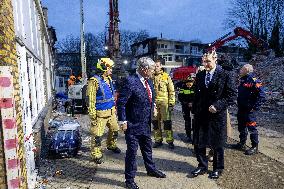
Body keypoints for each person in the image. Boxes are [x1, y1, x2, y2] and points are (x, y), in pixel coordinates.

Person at [117, 57, 166, 189]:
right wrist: (122, 121)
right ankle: (129, 179)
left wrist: (153, 106)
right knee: (132, 153)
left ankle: (151, 169)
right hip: (132, 124)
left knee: (147, 149)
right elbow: (121, 103)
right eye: (152, 69)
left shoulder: (148, 82)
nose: (153, 72)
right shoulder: (130, 81)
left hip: (145, 123)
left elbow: (150, 97)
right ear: (144, 69)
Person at [191, 49, 236, 179]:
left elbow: (231, 95)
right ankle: (202, 166)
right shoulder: (200, 75)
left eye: (208, 61)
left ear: (215, 59)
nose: (206, 64)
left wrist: (217, 106)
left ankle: (218, 168)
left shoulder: (225, 74)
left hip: (216, 115)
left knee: (217, 143)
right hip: (201, 114)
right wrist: (194, 110)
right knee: (199, 142)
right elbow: (197, 95)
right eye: (204, 61)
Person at [87, 58, 121, 164]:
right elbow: (90, 99)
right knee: (97, 136)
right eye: (110, 68)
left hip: (111, 112)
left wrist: (115, 108)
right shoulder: (94, 81)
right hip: (100, 114)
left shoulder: (109, 79)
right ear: (104, 67)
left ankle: (111, 145)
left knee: (115, 130)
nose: (111, 70)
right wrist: (92, 114)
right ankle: (96, 154)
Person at [231, 64, 266, 155]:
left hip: (250, 111)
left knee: (252, 127)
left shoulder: (254, 80)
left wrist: (255, 108)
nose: (240, 71)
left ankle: (254, 147)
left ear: (246, 70)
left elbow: (262, 96)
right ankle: (242, 143)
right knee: (241, 126)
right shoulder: (243, 80)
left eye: (241, 69)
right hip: (242, 108)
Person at [152, 59, 175, 149]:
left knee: (167, 123)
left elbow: (171, 90)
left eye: (157, 66)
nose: (156, 68)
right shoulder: (151, 77)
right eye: (154, 66)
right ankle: (158, 140)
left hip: (164, 104)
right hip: (154, 104)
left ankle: (170, 141)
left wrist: (171, 103)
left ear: (161, 66)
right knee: (155, 123)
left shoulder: (166, 76)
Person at [176, 74, 196, 142]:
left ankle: (195, 135)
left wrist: (193, 103)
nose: (189, 84)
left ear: (193, 82)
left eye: (190, 82)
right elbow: (180, 97)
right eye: (187, 82)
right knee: (187, 121)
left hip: (194, 106)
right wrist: (187, 103)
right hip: (185, 106)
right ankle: (188, 136)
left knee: (194, 121)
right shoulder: (183, 87)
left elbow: (198, 97)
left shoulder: (196, 87)